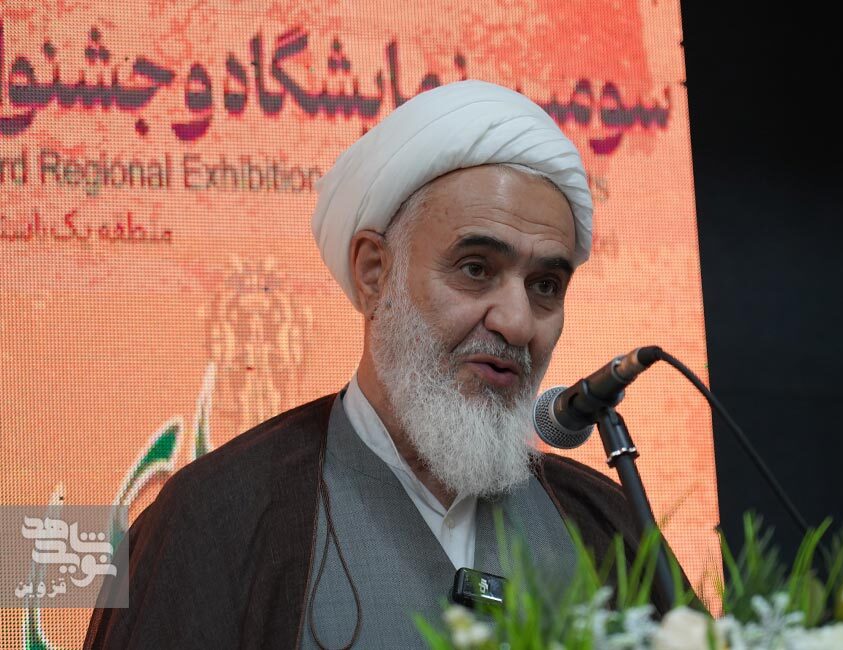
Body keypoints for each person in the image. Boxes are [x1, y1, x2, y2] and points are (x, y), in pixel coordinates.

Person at [85, 80, 660, 649]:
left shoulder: (601, 524)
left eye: (545, 285)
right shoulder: (220, 517)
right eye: (476, 269)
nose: (517, 322)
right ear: (374, 273)